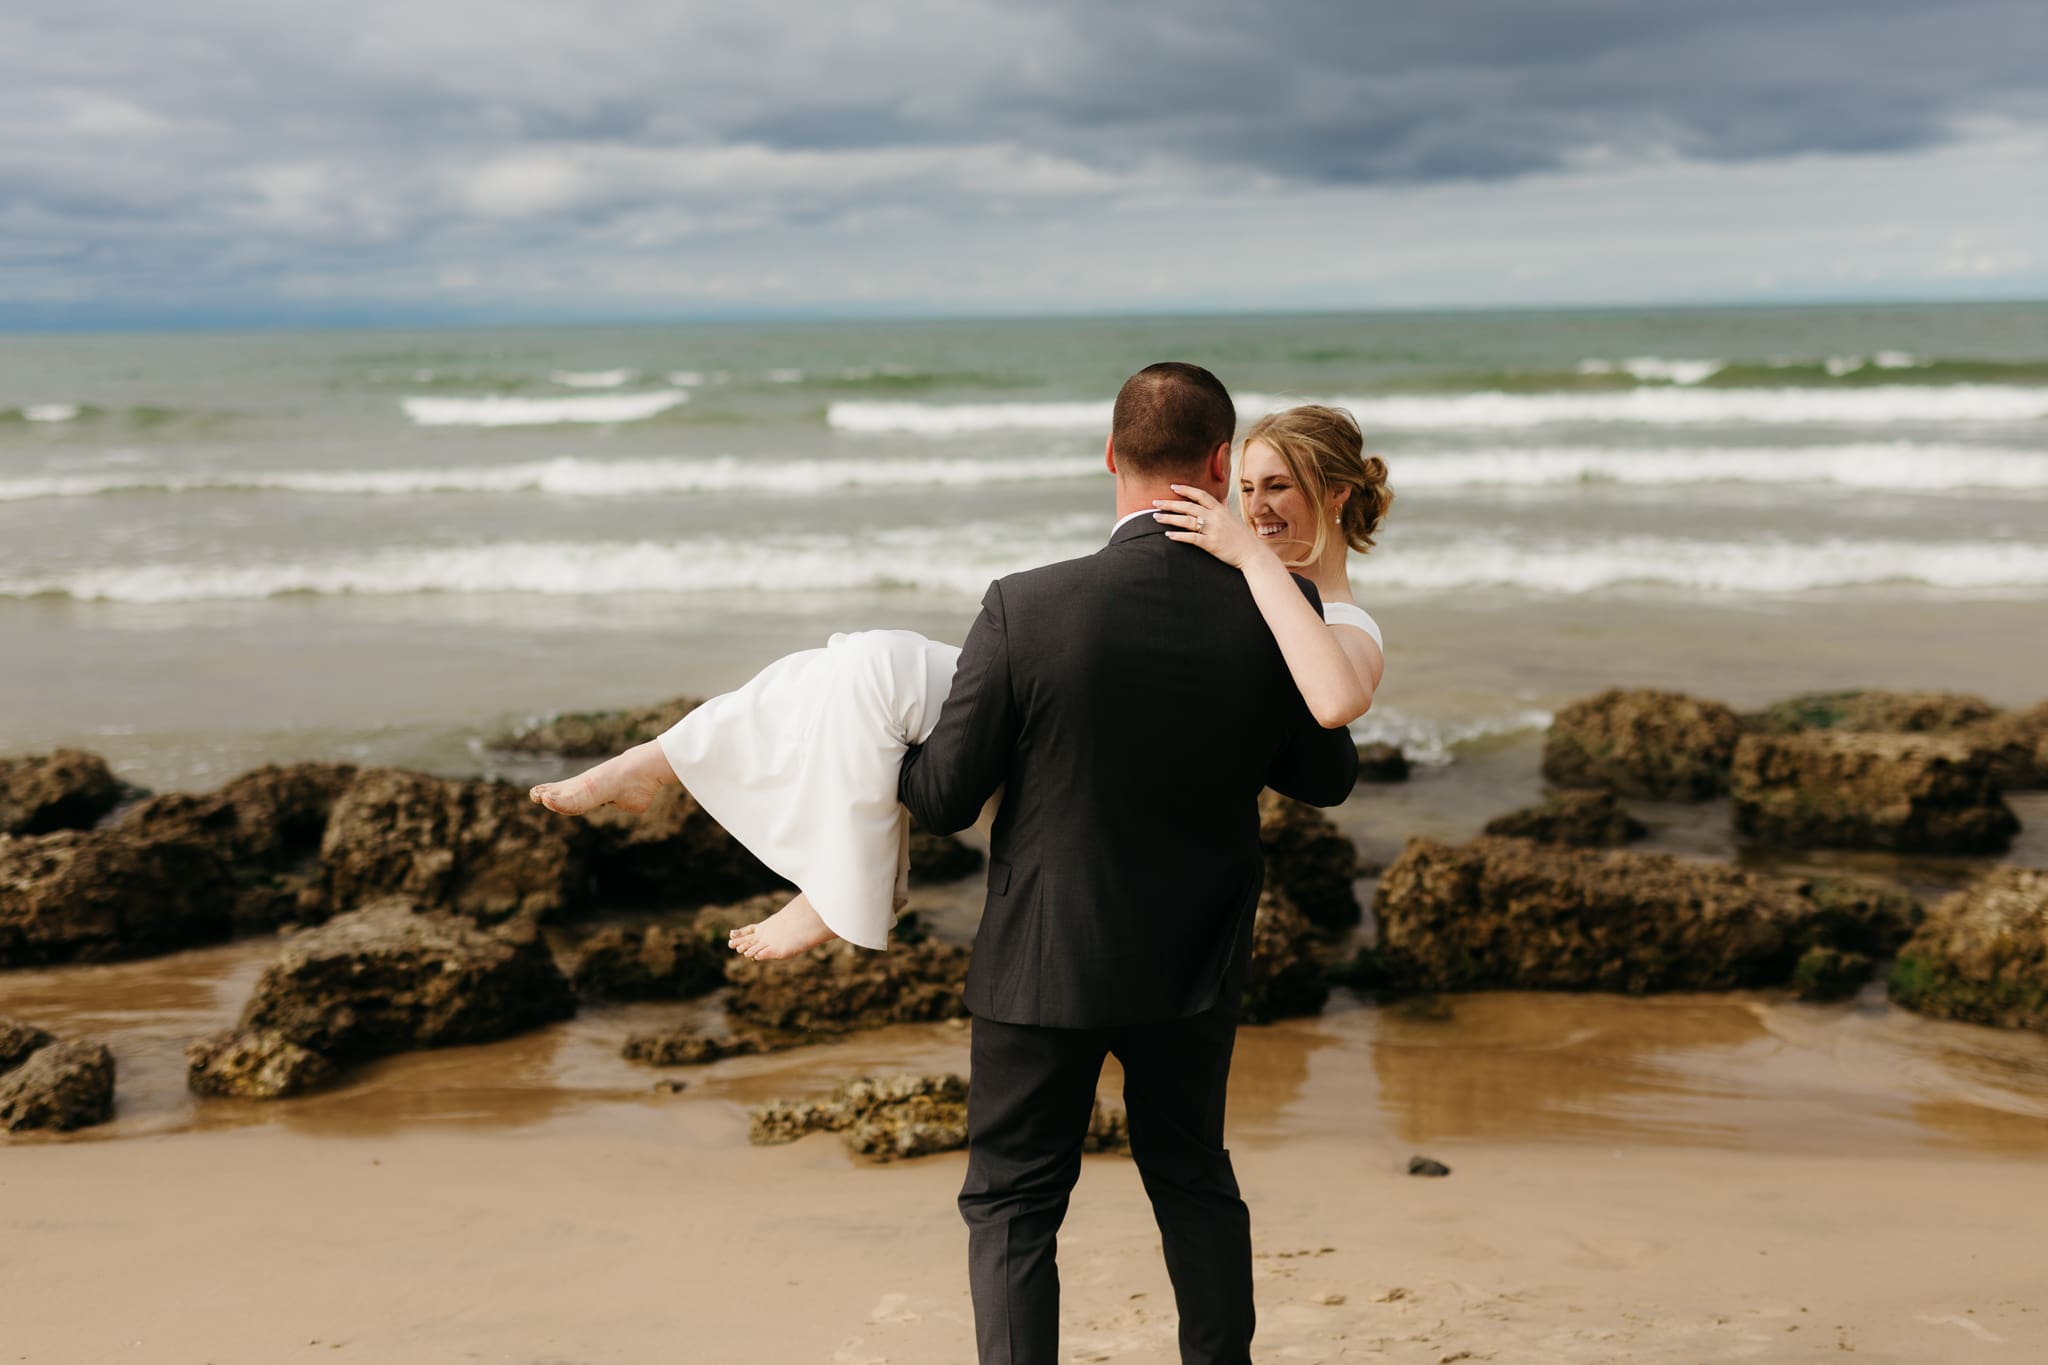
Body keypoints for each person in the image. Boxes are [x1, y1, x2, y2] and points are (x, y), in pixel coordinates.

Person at [527, 393, 1392, 975]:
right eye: (1244, 487)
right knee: (852, 666)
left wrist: (1244, 553)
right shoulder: (1251, 588)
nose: (1257, 506)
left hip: (1089, 769)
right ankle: (673, 763)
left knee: (877, 663)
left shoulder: (1341, 622)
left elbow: (1333, 703)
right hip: (1084, 732)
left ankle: (840, 887)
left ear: (1340, 493)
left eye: (1279, 487)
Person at [897, 364, 1361, 1365]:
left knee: (1014, 1204)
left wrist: (879, 735)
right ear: (1216, 464)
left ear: (1108, 455)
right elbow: (1324, 779)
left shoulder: (1025, 606)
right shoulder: (1270, 610)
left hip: (1040, 961)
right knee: (1192, 1180)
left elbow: (938, 802)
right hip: (1194, 962)